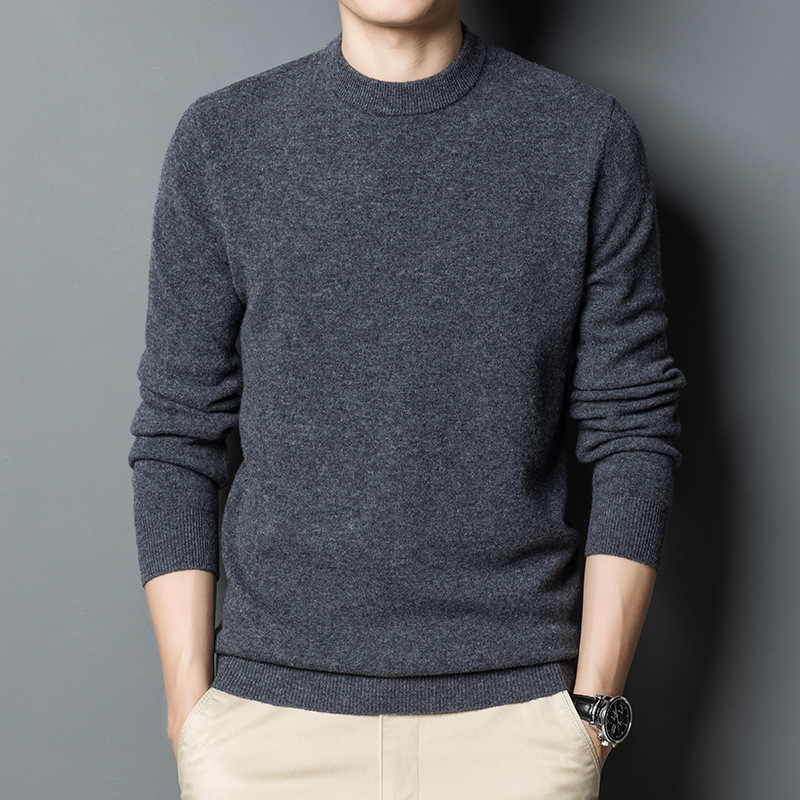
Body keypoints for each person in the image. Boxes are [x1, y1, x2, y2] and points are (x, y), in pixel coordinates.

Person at [129, 1, 687, 797]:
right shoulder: (224, 140)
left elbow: (634, 427)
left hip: (515, 725)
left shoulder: (584, 136)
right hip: (267, 728)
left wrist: (591, 711)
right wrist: (193, 717)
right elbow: (178, 434)